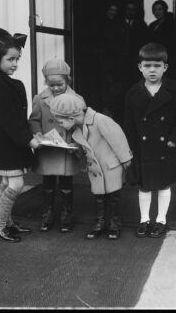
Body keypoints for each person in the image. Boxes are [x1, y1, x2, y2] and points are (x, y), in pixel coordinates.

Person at [123, 42, 176, 238]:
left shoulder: (175, 90)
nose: (152, 70)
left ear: (165, 67)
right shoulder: (133, 93)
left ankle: (161, 220)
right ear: (140, 67)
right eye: (147, 66)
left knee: (163, 184)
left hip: (165, 146)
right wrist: (130, 147)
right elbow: (128, 123)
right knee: (144, 185)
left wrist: (173, 140)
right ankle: (144, 219)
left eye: (157, 66)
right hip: (142, 148)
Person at [0, 28, 40, 243]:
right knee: (16, 185)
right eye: (10, 59)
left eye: (18, 59)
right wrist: (29, 140)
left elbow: (16, 118)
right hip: (4, 145)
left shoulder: (7, 83)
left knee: (8, 182)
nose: (15, 63)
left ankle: (7, 222)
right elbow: (9, 120)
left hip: (8, 144)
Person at [48, 93, 133, 240]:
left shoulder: (100, 120)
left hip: (110, 166)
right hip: (95, 169)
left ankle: (114, 223)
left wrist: (126, 160)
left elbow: (118, 139)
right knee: (99, 196)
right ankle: (100, 222)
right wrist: (73, 149)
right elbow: (84, 147)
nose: (59, 125)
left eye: (60, 122)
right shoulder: (77, 128)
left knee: (113, 196)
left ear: (70, 117)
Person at [28, 59, 84, 233]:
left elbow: (82, 122)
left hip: (66, 147)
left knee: (67, 185)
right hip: (48, 149)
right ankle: (48, 214)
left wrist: (77, 140)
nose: (56, 88)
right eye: (51, 85)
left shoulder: (77, 99)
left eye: (59, 84)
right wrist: (37, 134)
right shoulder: (40, 98)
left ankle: (66, 215)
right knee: (48, 185)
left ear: (68, 80)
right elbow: (34, 120)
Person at [147, 0, 176, 81]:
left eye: (160, 9)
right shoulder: (152, 25)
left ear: (165, 10)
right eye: (155, 10)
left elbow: (173, 44)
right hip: (154, 58)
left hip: (167, 59)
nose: (157, 12)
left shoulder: (171, 24)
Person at [121, 2, 148, 103]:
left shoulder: (141, 25)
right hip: (120, 63)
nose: (130, 12)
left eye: (133, 10)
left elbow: (144, 44)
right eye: (128, 9)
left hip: (134, 62)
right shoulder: (117, 24)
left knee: (135, 88)